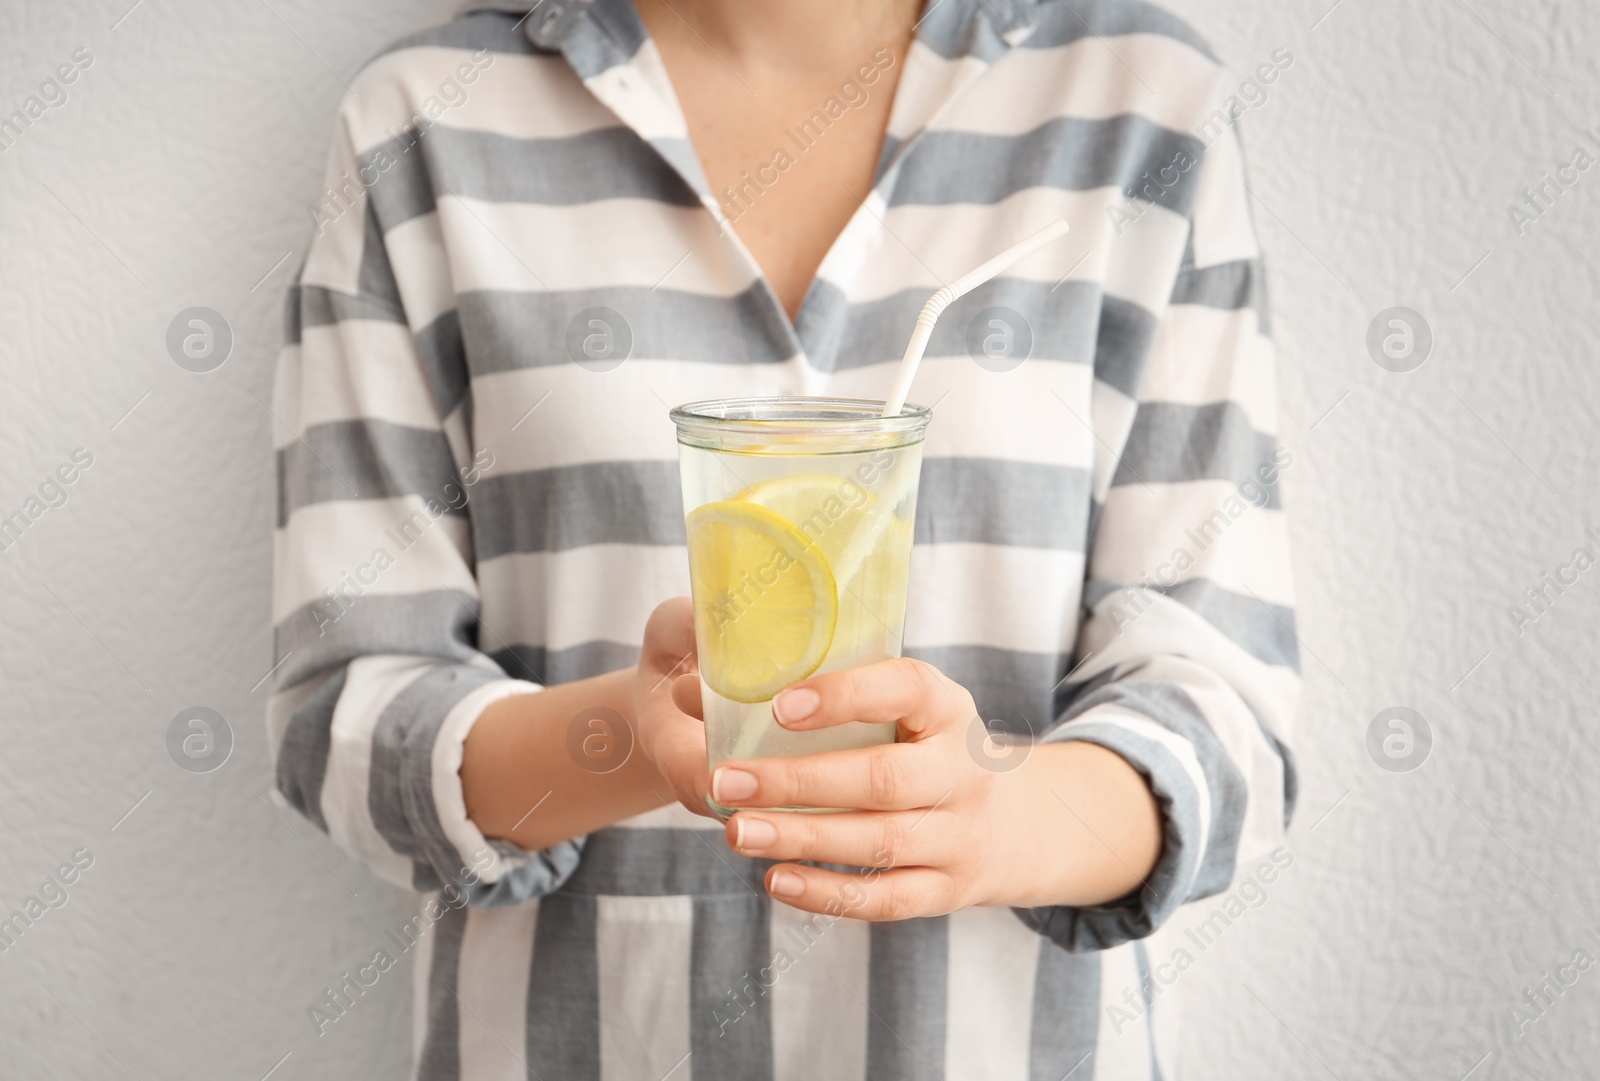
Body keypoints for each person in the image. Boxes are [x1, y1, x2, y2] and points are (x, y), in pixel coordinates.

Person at [269, 0, 1298, 1075]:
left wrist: (992, 822)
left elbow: (1223, 704)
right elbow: (342, 703)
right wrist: (629, 733)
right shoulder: (423, 116)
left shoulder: (1143, 100)